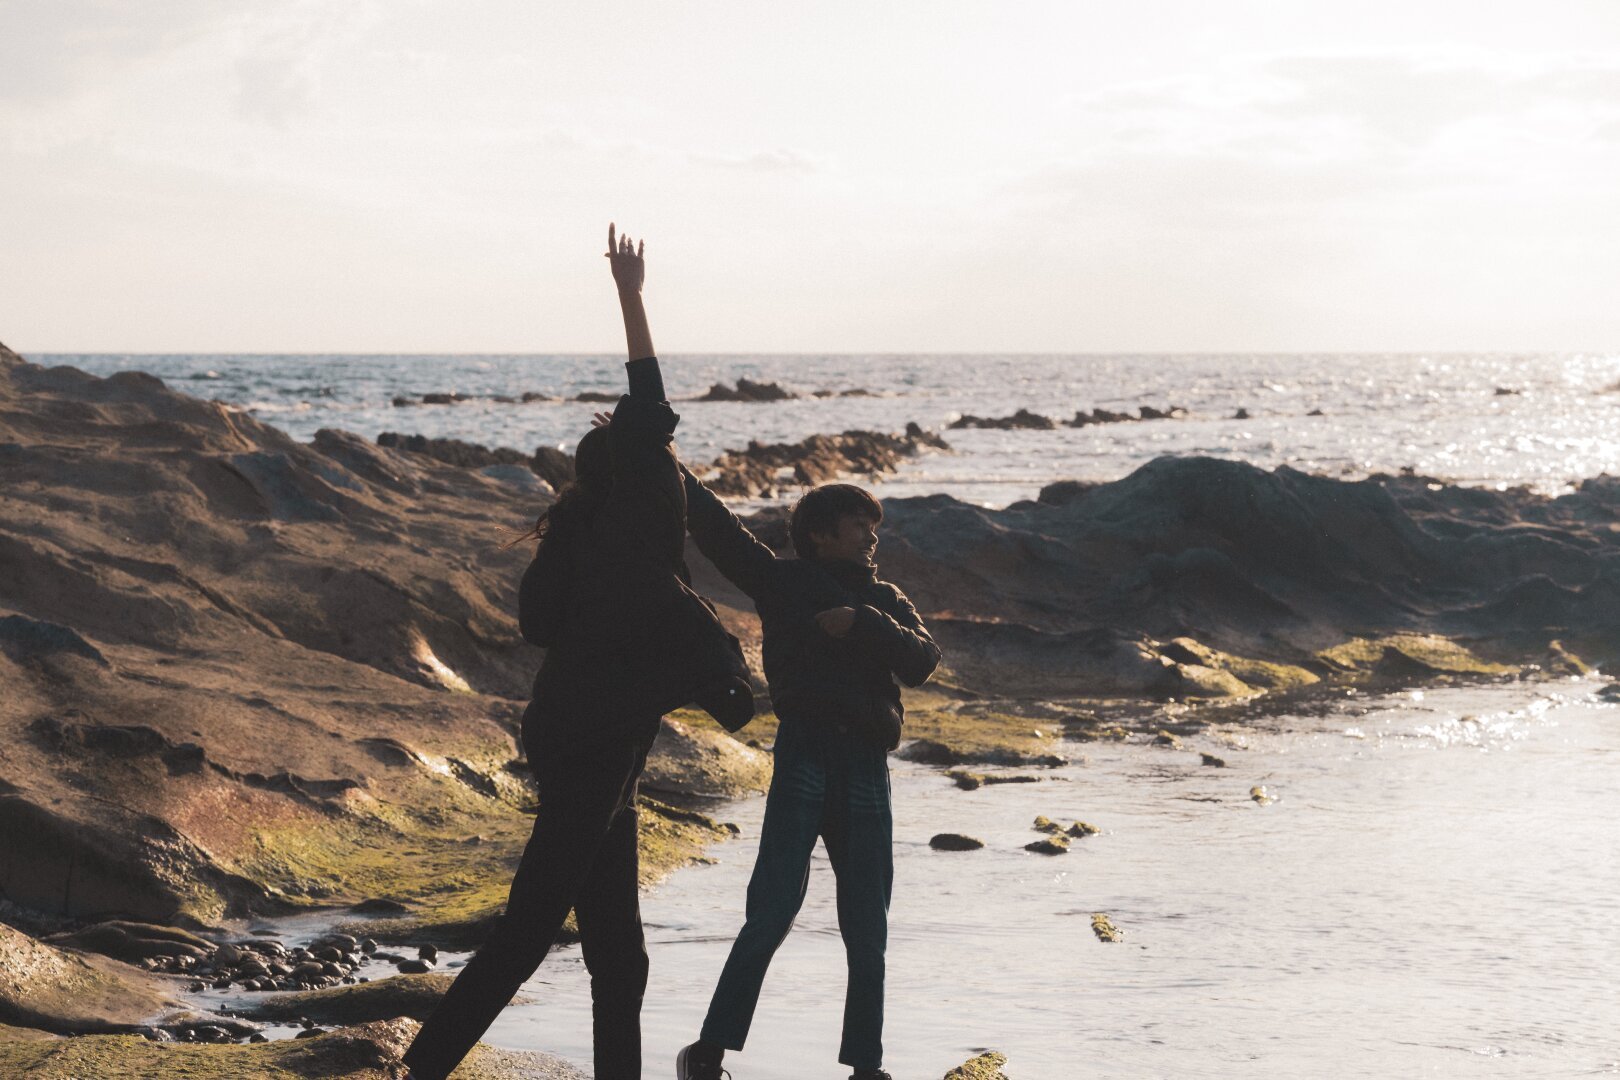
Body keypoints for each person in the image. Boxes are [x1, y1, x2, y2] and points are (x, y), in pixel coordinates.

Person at [399, 225, 749, 1080]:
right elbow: (650, 403)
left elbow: (541, 628)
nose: (675, 462)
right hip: (595, 745)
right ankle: (419, 1070)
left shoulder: (581, 533)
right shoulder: (636, 521)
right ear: (639, 467)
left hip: (578, 734)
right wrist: (632, 297)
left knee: (620, 960)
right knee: (525, 934)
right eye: (663, 455)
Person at [674, 469, 941, 1080]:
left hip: (866, 768)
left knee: (867, 927)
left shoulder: (887, 599)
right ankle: (706, 1054)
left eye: (874, 528)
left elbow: (923, 660)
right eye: (860, 527)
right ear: (820, 535)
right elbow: (720, 533)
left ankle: (866, 1069)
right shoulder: (783, 581)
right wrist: (662, 454)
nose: (872, 538)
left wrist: (863, 623)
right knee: (769, 914)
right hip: (804, 757)